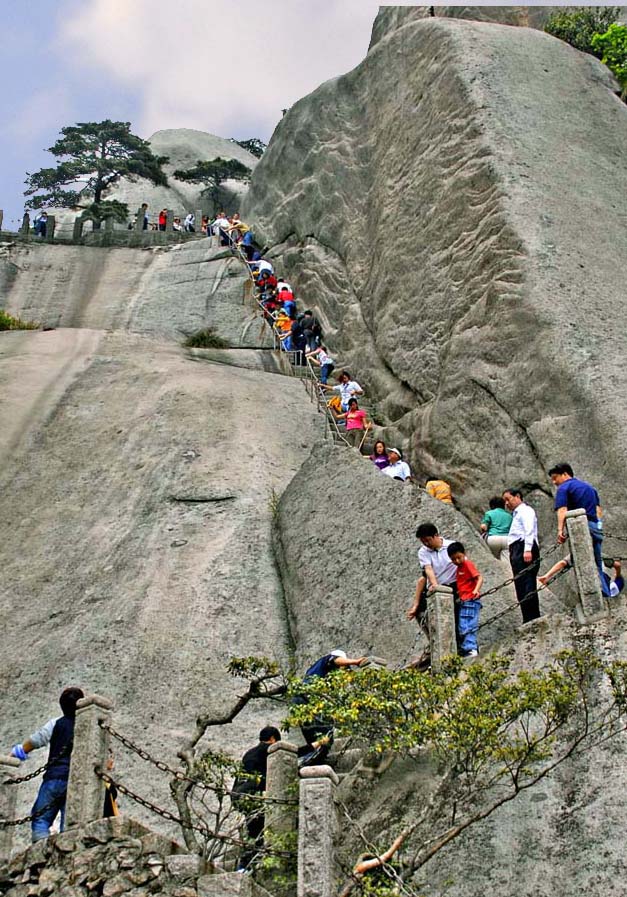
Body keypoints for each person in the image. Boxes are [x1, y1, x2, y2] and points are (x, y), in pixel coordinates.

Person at [10, 686, 85, 842]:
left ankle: (41, 855)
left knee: (40, 820)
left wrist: (15, 753)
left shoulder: (55, 724)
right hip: (76, 781)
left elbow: (35, 740)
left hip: (53, 778)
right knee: (70, 825)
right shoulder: (88, 725)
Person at [548, 463, 610, 598]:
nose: (554, 482)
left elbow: (562, 509)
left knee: (583, 563)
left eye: (555, 477)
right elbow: (598, 510)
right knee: (597, 562)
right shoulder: (590, 488)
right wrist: (598, 526)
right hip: (595, 526)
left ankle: (593, 597)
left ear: (565, 474)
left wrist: (560, 530)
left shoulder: (564, 487)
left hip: (580, 528)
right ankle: (605, 593)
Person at [292, 651, 366, 759]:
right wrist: (356, 661)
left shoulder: (318, 671)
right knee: (326, 735)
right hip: (308, 699)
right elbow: (335, 660)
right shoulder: (327, 661)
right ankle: (314, 759)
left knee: (314, 738)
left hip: (300, 702)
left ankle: (310, 760)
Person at [231, 726, 281, 871]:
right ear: (272, 739)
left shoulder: (250, 753)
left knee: (252, 828)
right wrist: (315, 745)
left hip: (238, 795)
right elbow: (294, 751)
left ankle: (244, 865)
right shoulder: (269, 750)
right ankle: (248, 864)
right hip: (252, 795)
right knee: (257, 829)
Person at [407, 523, 459, 661]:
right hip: (434, 586)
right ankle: (434, 641)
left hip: (453, 584)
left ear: (436, 535)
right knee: (421, 613)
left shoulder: (451, 546)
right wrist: (435, 585)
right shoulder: (423, 552)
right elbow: (427, 570)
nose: (426, 544)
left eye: (428, 540)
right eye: (423, 541)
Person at [503, 488, 541, 623]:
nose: (507, 503)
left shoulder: (526, 511)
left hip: (523, 546)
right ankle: (527, 616)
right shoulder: (516, 514)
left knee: (527, 583)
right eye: (505, 501)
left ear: (517, 496)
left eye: (508, 499)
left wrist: (527, 549)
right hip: (517, 548)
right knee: (520, 584)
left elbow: (529, 530)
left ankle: (532, 616)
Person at [447, 542, 483, 657]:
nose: (457, 561)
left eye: (459, 557)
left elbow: (479, 577)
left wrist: (476, 590)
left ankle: (471, 648)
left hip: (471, 599)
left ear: (464, 554)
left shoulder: (467, 564)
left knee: (468, 624)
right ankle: (467, 648)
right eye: (453, 559)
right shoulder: (459, 568)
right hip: (464, 599)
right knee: (463, 625)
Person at [480, 496, 513, 561]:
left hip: (493, 539)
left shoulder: (489, 513)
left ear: (492, 505)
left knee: (494, 560)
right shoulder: (509, 516)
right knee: (507, 561)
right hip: (507, 540)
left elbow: (484, 527)